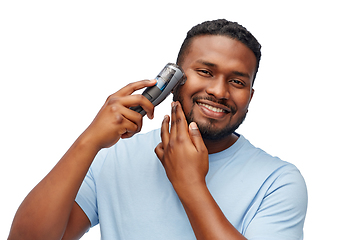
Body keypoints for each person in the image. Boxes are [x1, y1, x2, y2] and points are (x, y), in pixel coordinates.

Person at [8, 19, 307, 240]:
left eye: (237, 81)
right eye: (205, 72)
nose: (219, 91)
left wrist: (191, 184)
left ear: (250, 96)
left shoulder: (278, 181)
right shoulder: (115, 156)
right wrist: (88, 141)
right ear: (176, 78)